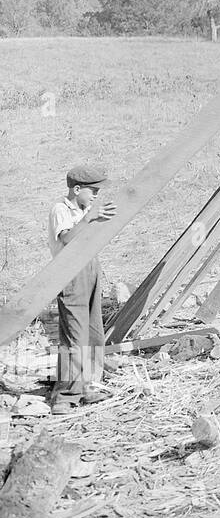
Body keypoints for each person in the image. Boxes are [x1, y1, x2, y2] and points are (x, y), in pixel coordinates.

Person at [47, 164, 117, 414]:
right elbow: (66, 239)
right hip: (70, 273)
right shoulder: (61, 209)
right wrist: (90, 217)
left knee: (93, 332)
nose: (97, 196)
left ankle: (89, 385)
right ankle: (65, 395)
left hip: (90, 268)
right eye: (93, 191)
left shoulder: (85, 208)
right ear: (77, 189)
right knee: (74, 336)